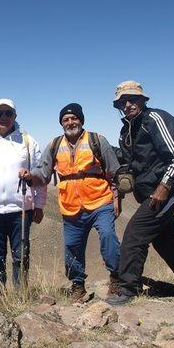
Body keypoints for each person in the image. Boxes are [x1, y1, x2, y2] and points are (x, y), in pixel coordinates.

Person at [106, 81, 174, 305]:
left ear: (143, 100)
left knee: (135, 234)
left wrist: (164, 186)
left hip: (166, 192)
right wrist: (106, 149)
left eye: (132, 99)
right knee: (164, 240)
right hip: (148, 193)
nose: (127, 104)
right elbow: (131, 161)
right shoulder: (127, 129)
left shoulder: (156, 119)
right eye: (122, 101)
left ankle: (128, 290)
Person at [19, 103, 122, 300]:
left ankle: (116, 279)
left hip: (100, 202)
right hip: (70, 206)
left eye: (74, 118)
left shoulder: (97, 140)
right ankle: (78, 286)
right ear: (61, 123)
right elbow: (43, 173)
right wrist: (30, 176)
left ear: (81, 120)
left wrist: (116, 199)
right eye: (65, 120)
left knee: (108, 237)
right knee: (72, 247)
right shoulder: (55, 145)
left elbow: (114, 172)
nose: (70, 122)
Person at [0, 98, 47, 312]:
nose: (4, 117)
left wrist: (39, 204)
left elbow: (40, 174)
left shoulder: (28, 142)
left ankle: (20, 295)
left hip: (20, 208)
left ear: (15, 115)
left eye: (8, 113)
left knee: (21, 254)